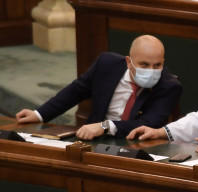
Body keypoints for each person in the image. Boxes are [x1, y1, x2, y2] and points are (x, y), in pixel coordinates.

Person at [15, 35, 181, 141]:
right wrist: (39, 114)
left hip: (134, 144)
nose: (151, 71)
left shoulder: (169, 86)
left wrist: (105, 126)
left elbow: (147, 124)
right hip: (92, 139)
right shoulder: (106, 64)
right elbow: (76, 91)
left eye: (157, 65)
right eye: (144, 65)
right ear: (129, 62)